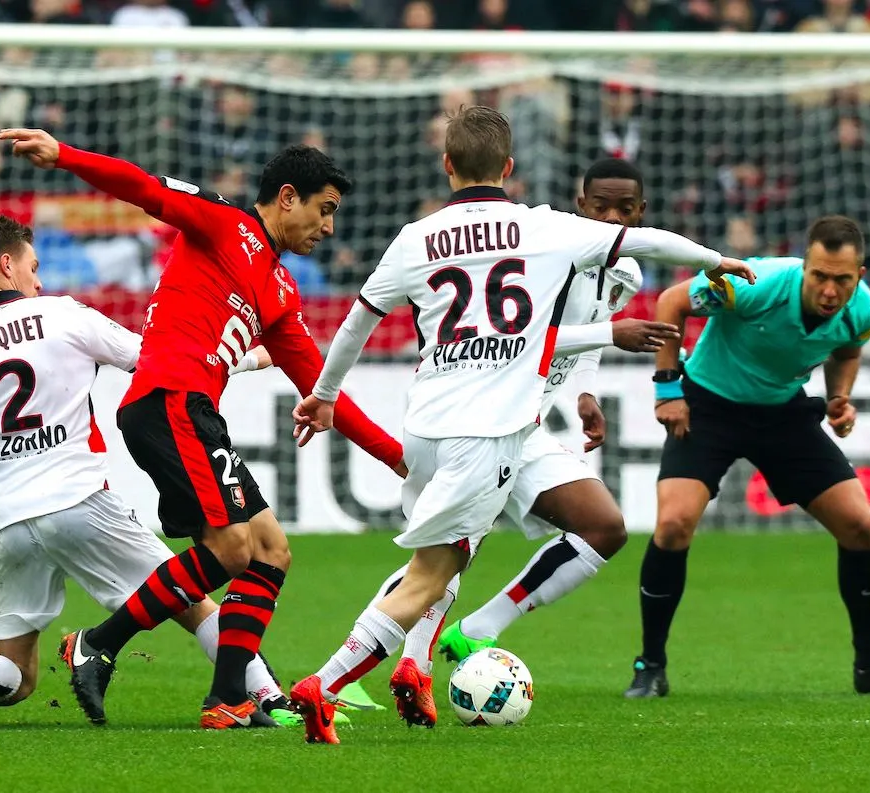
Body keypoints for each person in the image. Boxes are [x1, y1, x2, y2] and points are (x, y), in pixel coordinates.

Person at [287, 106, 753, 743]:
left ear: (447, 164)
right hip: (489, 428)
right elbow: (647, 243)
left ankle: (413, 668)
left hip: (428, 423)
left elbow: (355, 324)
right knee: (434, 571)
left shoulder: (415, 237)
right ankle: (326, 685)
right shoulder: (543, 229)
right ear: (508, 167)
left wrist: (323, 395)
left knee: (457, 556)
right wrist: (717, 260)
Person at [0, 128, 407, 727]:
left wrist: (397, 458)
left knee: (270, 551)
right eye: (324, 210)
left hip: (195, 413)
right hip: (168, 400)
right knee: (232, 548)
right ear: (286, 197)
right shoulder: (223, 224)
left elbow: (324, 390)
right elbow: (143, 187)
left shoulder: (281, 290)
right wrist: (65, 156)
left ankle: (227, 698)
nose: (329, 227)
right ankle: (97, 644)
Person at [0, 215, 285, 729]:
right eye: (33, 267)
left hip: (4, 522)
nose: (39, 281)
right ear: (7, 265)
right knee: (194, 603)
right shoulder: (62, 314)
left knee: (17, 676)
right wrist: (248, 359)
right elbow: (159, 363)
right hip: (78, 503)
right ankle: (269, 698)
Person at [357, 157, 677, 727]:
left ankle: (477, 630)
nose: (611, 217)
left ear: (640, 213)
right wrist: (609, 335)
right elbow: (527, 334)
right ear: (581, 205)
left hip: (526, 425)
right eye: (600, 206)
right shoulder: (550, 251)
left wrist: (584, 391)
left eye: (624, 210)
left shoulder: (623, 271)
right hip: (476, 415)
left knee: (603, 527)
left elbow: (589, 333)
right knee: (447, 554)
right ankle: (368, 673)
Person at [625, 215, 870, 698]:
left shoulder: (866, 312)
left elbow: (846, 351)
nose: (830, 290)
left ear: (860, 276)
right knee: (674, 524)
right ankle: (650, 666)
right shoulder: (756, 283)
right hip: (709, 407)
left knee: (861, 526)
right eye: (820, 276)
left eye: (842, 280)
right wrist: (667, 388)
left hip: (783, 414)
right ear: (804, 267)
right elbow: (672, 302)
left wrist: (838, 398)